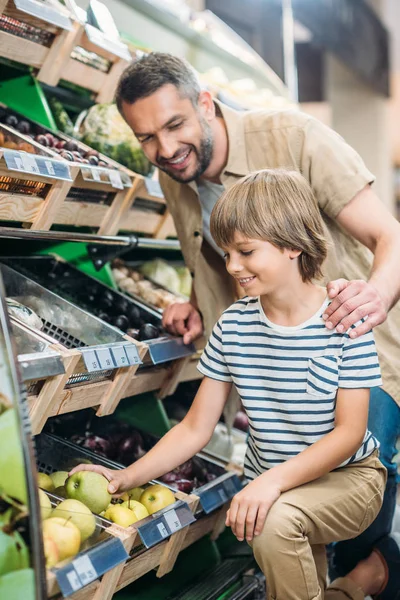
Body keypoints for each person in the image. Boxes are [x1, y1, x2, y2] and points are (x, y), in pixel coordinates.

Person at [113, 52, 400, 590]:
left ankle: (371, 572)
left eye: (174, 126)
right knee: (300, 545)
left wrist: (370, 300)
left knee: (322, 518)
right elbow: (212, 267)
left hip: (356, 340)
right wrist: (196, 305)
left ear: (204, 104)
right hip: (270, 358)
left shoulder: (294, 137)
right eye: (146, 137)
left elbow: (392, 236)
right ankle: (361, 579)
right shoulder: (180, 177)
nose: (165, 149)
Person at [71, 169, 388, 599]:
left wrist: (271, 483)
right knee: (298, 573)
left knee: (275, 523)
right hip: (273, 487)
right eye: (227, 253)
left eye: (246, 251)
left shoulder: (343, 320)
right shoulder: (234, 326)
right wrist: (122, 479)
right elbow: (194, 428)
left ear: (293, 245)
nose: (232, 266)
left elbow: (349, 434)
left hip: (348, 479)